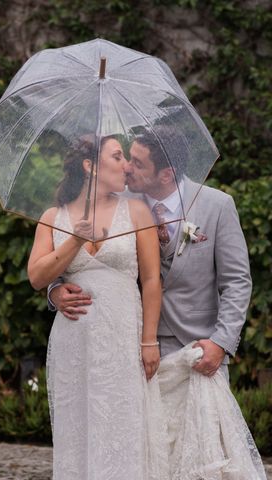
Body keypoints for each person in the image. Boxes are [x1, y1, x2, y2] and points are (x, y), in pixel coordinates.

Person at [48, 129, 266, 478]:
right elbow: (84, 264)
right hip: (132, 351)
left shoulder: (216, 205)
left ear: (166, 174)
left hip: (198, 347)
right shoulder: (121, 206)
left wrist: (221, 343)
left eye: (137, 163)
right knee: (147, 455)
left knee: (203, 458)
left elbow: (237, 282)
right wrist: (55, 291)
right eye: (126, 158)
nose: (128, 169)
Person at [28, 134, 169, 479]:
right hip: (74, 342)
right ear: (90, 166)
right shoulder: (53, 216)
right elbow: (36, 276)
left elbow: (151, 280)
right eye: (118, 156)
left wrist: (149, 340)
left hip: (123, 337)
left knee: (123, 425)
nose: (126, 166)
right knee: (77, 429)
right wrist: (75, 239)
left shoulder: (136, 211)